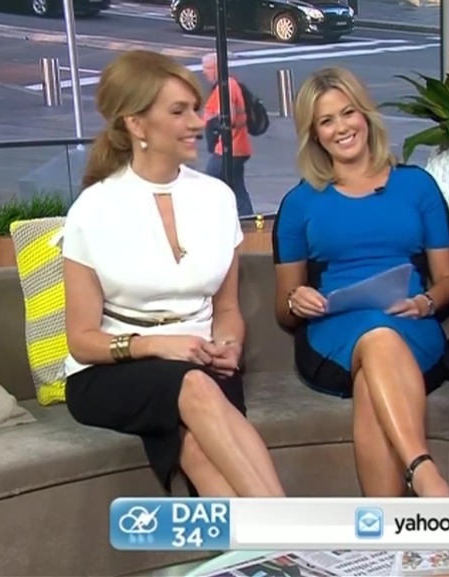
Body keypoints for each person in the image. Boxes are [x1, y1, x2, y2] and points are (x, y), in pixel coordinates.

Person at [61, 50, 285, 498]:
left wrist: (229, 345)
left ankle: (270, 540)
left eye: (195, 109)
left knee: (197, 444)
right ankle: (288, 525)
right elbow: (81, 340)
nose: (199, 123)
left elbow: (226, 309)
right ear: (137, 124)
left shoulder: (218, 198)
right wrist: (156, 345)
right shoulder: (93, 209)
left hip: (202, 361)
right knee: (194, 387)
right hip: (113, 371)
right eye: (179, 112)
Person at [272, 67, 449, 498]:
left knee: (373, 376)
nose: (341, 128)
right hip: (333, 336)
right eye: (326, 121)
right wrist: (298, 300)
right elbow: (283, 306)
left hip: (411, 322)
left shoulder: (418, 186)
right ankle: (424, 472)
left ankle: (385, 530)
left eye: (347, 113)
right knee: (377, 337)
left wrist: (426, 303)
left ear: (365, 115)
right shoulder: (299, 203)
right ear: (314, 135)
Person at [202, 53, 254, 217]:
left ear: (217, 68)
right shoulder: (229, 85)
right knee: (237, 187)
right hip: (238, 147)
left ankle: (212, 218)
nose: (204, 72)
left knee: (209, 184)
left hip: (229, 147)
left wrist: (213, 123)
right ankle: (246, 218)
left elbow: (228, 117)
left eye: (207, 68)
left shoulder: (226, 87)